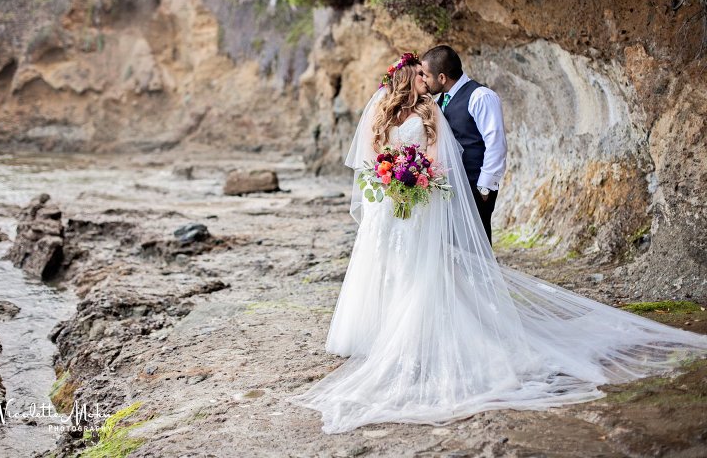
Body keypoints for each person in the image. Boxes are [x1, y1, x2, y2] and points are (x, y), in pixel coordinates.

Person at [288, 52, 707, 435]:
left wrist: (416, 176)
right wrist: (388, 176)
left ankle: (417, 332)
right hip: (389, 204)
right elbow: (369, 155)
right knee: (386, 265)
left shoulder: (431, 108)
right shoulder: (381, 110)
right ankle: (377, 332)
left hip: (420, 197)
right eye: (417, 75)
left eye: (426, 74)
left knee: (423, 266)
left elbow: (440, 156)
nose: (424, 80)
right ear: (403, 79)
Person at [421, 45, 505, 244]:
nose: (424, 80)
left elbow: (495, 142)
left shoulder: (481, 96)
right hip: (451, 187)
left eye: (426, 75)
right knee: (454, 246)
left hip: (475, 185)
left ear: (442, 77)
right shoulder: (440, 100)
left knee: (476, 244)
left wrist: (485, 186)